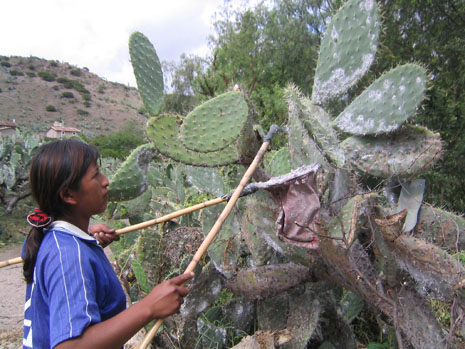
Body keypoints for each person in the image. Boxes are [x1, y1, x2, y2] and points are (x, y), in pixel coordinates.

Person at [22, 139, 193, 348]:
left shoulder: (50, 236)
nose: (106, 181)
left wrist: (85, 239)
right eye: (95, 176)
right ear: (68, 194)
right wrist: (149, 307)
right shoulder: (68, 255)